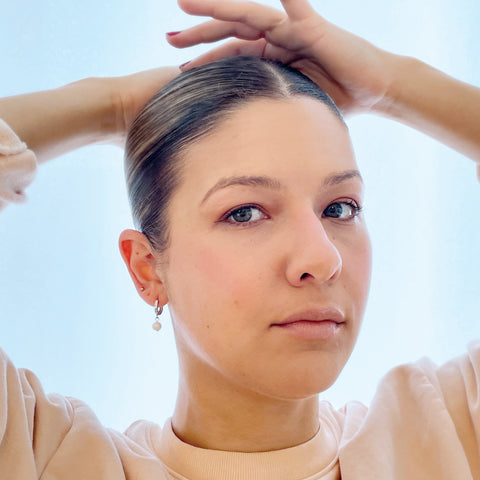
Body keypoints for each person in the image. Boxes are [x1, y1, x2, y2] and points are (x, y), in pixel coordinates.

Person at [1, 1, 479, 479]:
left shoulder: (447, 437)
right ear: (147, 269)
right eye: (245, 213)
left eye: (339, 208)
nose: (322, 257)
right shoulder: (46, 457)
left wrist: (389, 86)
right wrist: (114, 106)